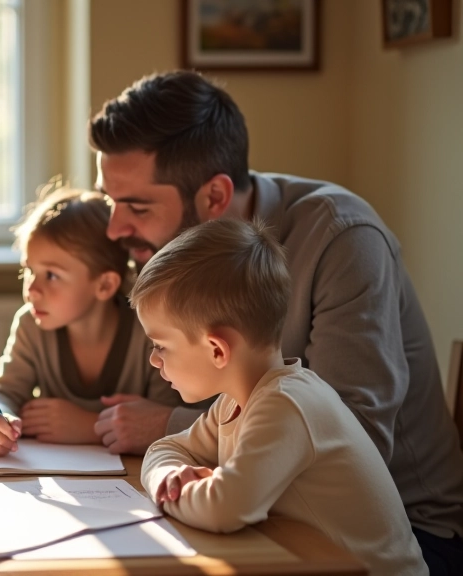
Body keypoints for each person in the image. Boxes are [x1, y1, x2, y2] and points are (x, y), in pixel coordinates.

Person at [90, 69, 462, 573]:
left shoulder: (342, 238)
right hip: (271, 511)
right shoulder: (175, 262)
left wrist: (164, 428)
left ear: (214, 197)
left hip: (408, 536)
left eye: (136, 206)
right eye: (110, 201)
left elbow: (361, 431)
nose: (115, 228)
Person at [134, 218, 427, 576]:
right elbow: (165, 448)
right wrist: (169, 476)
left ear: (217, 349)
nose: (154, 359)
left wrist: (170, 496)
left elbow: (226, 509)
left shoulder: (286, 404)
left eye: (161, 346)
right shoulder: (235, 402)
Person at [0, 186, 201, 457]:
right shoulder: (30, 325)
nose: (31, 290)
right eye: (29, 271)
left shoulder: (150, 334)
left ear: (104, 285)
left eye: (52, 275)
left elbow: (167, 421)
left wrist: (90, 427)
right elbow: (1, 392)